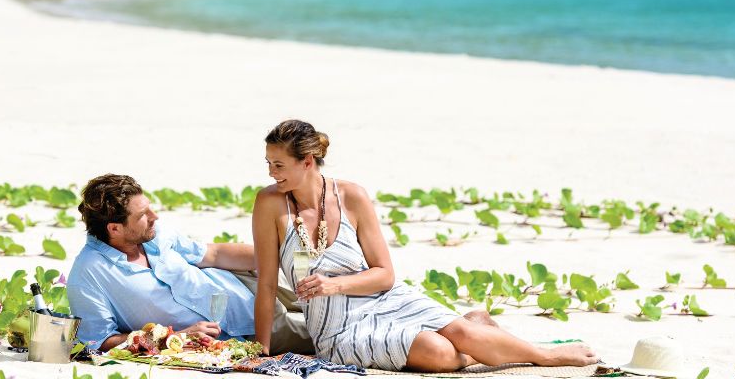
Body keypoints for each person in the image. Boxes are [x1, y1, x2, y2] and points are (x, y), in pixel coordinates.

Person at [251, 120, 598, 372]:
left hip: (387, 299)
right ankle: (480, 331)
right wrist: (262, 351)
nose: (271, 172)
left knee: (458, 332)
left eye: (278, 164)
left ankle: (542, 355)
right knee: (439, 354)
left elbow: (385, 275)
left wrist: (334, 284)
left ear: (307, 162)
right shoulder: (269, 205)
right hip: (339, 329)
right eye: (268, 163)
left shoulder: (352, 196)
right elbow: (267, 284)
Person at [67, 173, 312, 354]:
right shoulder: (89, 274)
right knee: (330, 332)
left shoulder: (154, 233)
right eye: (143, 216)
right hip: (251, 328)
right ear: (114, 228)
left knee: (336, 293)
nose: (155, 217)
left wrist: (285, 257)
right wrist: (174, 337)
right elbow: (99, 341)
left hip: (248, 284)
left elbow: (214, 254)